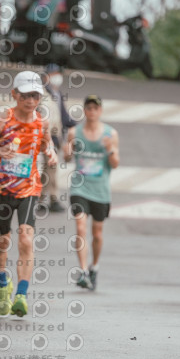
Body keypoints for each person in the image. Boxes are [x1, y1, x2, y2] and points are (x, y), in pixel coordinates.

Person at [0, 71, 58, 317]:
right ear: (14, 94)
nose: (30, 100)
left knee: (26, 239)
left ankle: (22, 295)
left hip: (29, 188)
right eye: (25, 95)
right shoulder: (2, 118)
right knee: (2, 241)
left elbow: (47, 143)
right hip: (2, 188)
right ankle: (2, 283)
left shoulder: (42, 122)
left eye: (35, 95)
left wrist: (51, 153)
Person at [63, 95, 119, 291]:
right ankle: (83, 271)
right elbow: (67, 157)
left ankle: (94, 266)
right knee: (80, 227)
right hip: (80, 187)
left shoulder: (110, 134)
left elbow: (115, 164)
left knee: (97, 233)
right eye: (89, 108)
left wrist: (110, 149)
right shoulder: (74, 132)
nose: (92, 111)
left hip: (100, 189)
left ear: (100, 111)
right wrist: (67, 151)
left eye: (96, 108)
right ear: (85, 110)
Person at [39, 63, 77, 212]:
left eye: (58, 74)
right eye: (53, 74)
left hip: (56, 136)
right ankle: (53, 199)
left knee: (48, 169)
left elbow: (63, 116)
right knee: (51, 168)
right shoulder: (41, 95)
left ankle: (40, 199)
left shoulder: (57, 94)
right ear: (45, 77)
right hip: (46, 137)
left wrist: (73, 126)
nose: (57, 77)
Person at [24, 0, 67, 64]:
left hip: (32, 17)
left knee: (31, 39)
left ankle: (28, 58)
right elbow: (62, 10)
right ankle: (38, 61)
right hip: (45, 22)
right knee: (42, 42)